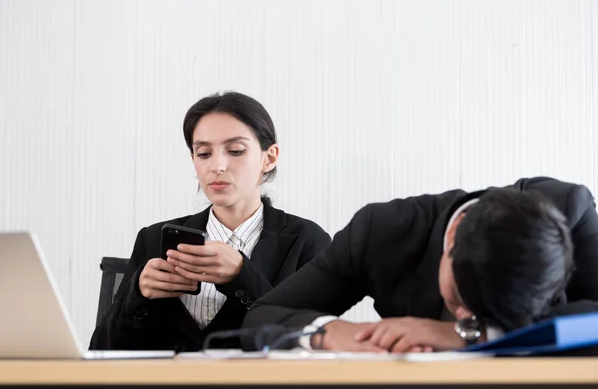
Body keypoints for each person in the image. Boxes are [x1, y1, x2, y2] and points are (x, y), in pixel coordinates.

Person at [242, 177, 598, 352]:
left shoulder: (568, 210)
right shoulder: (381, 233)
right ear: (454, 235)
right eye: (459, 299)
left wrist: (463, 335)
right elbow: (261, 315)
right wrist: (331, 333)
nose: (466, 315)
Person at [90, 92, 331, 351]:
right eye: (203, 153)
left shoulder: (307, 241)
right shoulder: (153, 238)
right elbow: (100, 352)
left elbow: (312, 343)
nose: (217, 165)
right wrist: (137, 294)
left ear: (269, 158)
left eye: (236, 150)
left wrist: (242, 275)